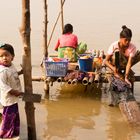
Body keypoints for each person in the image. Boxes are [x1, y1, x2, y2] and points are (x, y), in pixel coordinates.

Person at [0, 43, 23, 139]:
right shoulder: (2, 71)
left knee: (15, 115)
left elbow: (12, 75)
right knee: (8, 117)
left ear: (12, 57)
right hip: (8, 99)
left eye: (6, 55)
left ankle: (14, 131)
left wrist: (21, 72)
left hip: (14, 98)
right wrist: (14, 92)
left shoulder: (10, 66)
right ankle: (4, 134)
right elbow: (2, 85)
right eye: (1, 56)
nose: (4, 58)